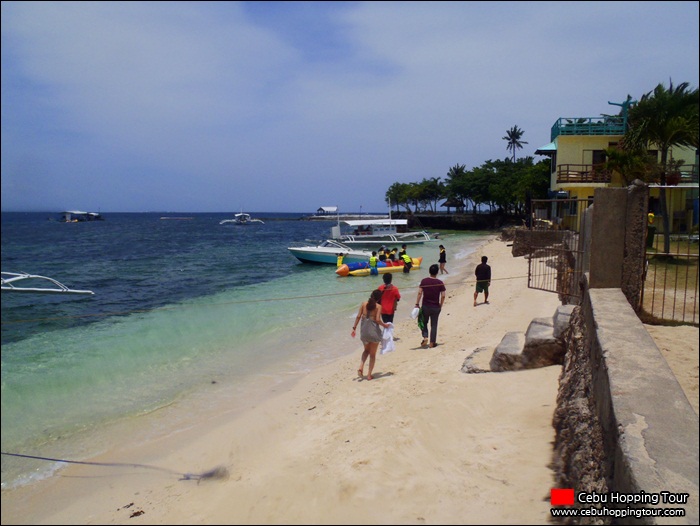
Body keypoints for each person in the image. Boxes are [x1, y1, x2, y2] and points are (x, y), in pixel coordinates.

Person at [351, 289, 391, 380]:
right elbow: (377, 320)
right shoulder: (378, 306)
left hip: (364, 332)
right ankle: (369, 375)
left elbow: (358, 316)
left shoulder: (363, 304)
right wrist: (384, 325)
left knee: (366, 351)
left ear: (371, 295)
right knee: (372, 354)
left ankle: (361, 367)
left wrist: (354, 328)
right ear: (379, 298)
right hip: (374, 333)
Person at [415, 263, 446, 348]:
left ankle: (425, 337)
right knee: (434, 325)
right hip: (436, 307)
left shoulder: (424, 281)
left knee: (423, 322)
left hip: (426, 306)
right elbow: (443, 295)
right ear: (437, 272)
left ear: (429, 271)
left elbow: (419, 293)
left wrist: (417, 303)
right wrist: (441, 305)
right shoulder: (440, 282)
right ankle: (432, 343)